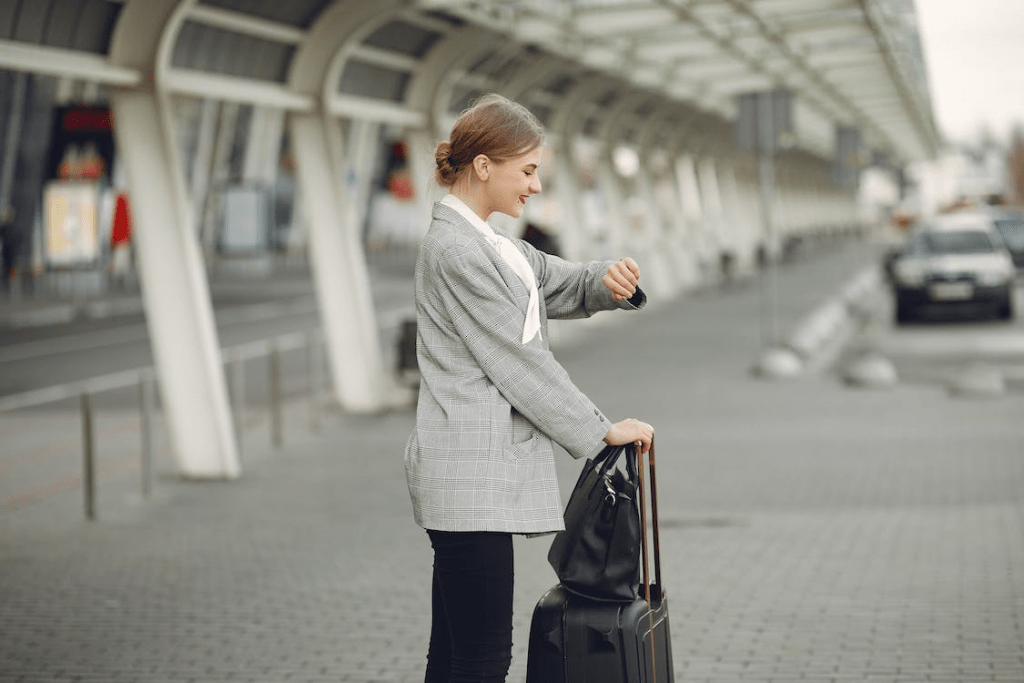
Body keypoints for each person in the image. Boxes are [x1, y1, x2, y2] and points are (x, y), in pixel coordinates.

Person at [403, 93, 655, 683]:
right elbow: (517, 361)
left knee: (459, 653)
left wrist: (606, 281)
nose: (536, 186)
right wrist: (599, 431)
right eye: (529, 170)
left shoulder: (494, 246)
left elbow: (557, 281)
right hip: (468, 480)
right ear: (484, 165)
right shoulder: (455, 249)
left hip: (472, 480)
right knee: (482, 655)